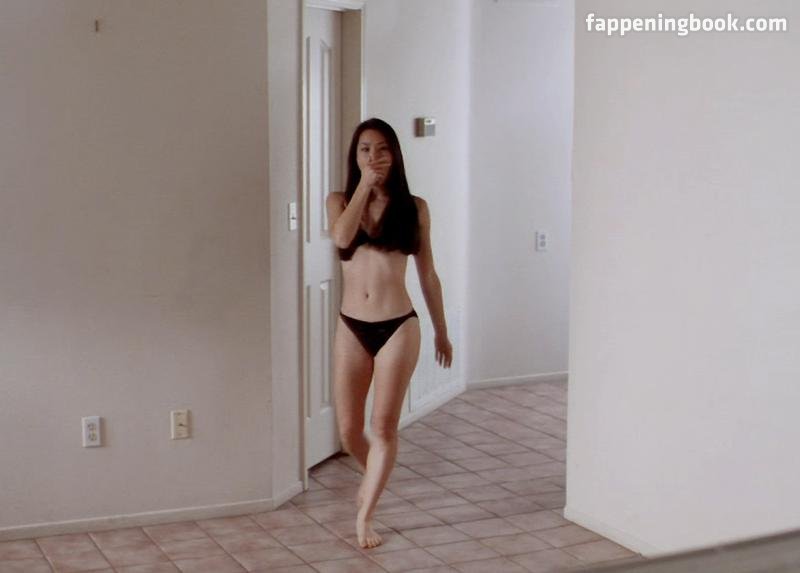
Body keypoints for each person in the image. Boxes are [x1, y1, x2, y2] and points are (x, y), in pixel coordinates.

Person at [326, 117, 453, 548]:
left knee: (382, 428)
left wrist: (441, 331)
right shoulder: (340, 201)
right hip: (351, 325)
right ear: (355, 155)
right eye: (365, 149)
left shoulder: (414, 207)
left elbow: (429, 275)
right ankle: (374, 480)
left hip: (399, 325)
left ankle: (366, 515)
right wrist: (364, 186)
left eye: (382, 149)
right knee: (349, 431)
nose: (374, 156)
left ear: (395, 155)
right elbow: (341, 237)